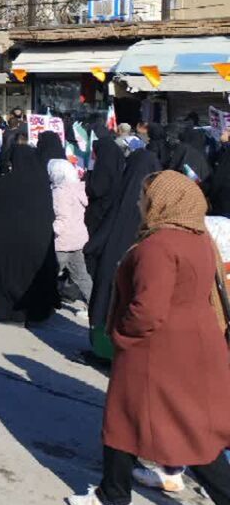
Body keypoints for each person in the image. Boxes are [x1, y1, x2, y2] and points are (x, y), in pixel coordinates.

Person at [67, 171, 230, 505]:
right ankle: (113, 496)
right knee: (130, 423)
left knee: (191, 440)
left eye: (146, 197)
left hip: (158, 351)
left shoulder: (158, 245)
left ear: (164, 202)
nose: (142, 204)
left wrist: (121, 335)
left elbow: (147, 310)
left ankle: (114, 498)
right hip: (191, 345)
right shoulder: (197, 236)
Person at [84, 148, 162, 360]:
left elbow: (104, 230)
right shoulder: (155, 205)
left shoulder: (124, 194)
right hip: (139, 266)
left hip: (114, 260)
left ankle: (103, 351)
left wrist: (91, 250)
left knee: (107, 302)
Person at [0, 145, 59, 324]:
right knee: (34, 275)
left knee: (7, 273)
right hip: (37, 244)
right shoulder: (42, 185)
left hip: (7, 244)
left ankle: (7, 311)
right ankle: (33, 314)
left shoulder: (4, 184)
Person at [48, 153, 91, 317]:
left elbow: (62, 218)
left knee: (49, 274)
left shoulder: (60, 192)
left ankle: (45, 306)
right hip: (77, 238)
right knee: (82, 276)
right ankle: (96, 306)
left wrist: (50, 232)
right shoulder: (78, 188)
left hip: (62, 241)